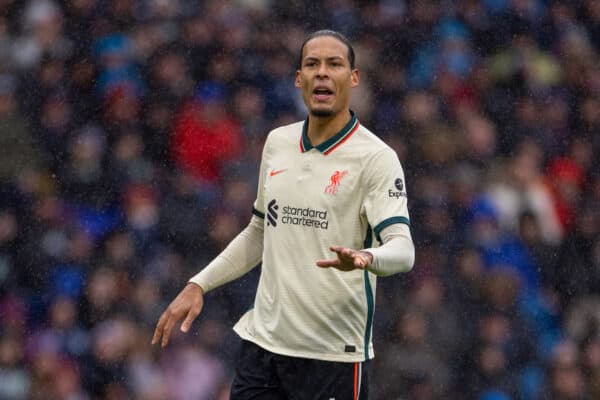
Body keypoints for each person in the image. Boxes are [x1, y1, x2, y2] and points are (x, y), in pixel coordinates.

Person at [152, 29, 415, 399]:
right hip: (263, 348)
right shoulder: (278, 143)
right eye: (312, 64)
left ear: (353, 78)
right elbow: (259, 230)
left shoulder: (377, 158)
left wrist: (366, 257)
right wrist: (199, 283)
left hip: (332, 356)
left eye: (334, 64)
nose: (322, 72)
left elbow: (403, 251)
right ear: (298, 79)